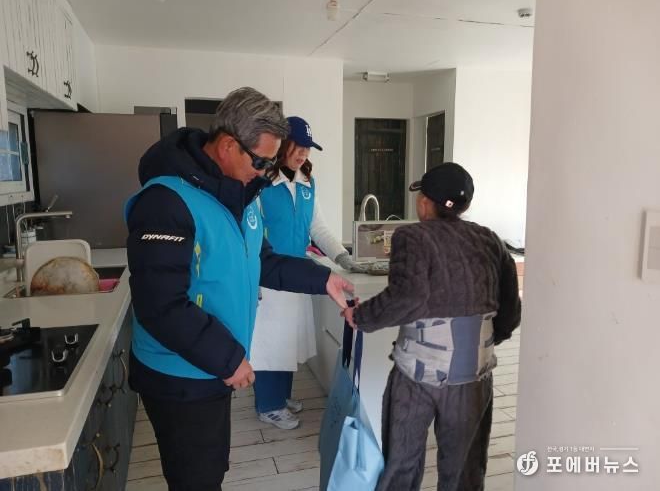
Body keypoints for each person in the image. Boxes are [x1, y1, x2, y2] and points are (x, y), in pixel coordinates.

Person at [125, 87, 353, 491]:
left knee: (211, 467)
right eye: (261, 161)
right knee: (196, 478)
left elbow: (265, 260)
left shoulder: (240, 195)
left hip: (212, 366)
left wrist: (323, 278)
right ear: (229, 145)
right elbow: (160, 306)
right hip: (178, 375)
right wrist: (229, 359)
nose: (265, 172)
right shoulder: (165, 202)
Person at [343, 162, 521, 491]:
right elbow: (510, 314)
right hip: (472, 377)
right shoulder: (491, 241)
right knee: (465, 472)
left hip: (416, 375)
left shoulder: (412, 236)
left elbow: (406, 298)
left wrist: (361, 316)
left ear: (425, 202)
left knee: (402, 465)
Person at [250, 116, 366, 429]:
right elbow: (252, 232)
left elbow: (318, 228)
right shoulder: (261, 183)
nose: (303, 153)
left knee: (289, 339)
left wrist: (343, 256)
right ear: (282, 145)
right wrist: (251, 276)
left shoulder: (306, 183)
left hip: (297, 273)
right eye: (298, 146)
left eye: (307, 148)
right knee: (269, 342)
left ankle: (281, 396)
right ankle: (268, 405)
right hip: (269, 275)